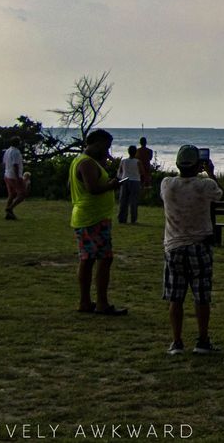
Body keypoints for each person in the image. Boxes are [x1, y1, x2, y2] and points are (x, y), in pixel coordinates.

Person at [160, 145, 224, 355]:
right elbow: (220, 195)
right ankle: (202, 340)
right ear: (199, 165)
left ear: (178, 164)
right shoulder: (205, 185)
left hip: (174, 246)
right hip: (200, 245)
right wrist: (211, 172)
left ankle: (177, 341)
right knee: (201, 296)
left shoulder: (167, 185)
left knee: (175, 297)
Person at [69, 129, 126, 315]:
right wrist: (112, 185)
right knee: (103, 259)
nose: (107, 150)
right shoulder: (86, 163)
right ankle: (102, 303)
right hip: (93, 217)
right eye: (106, 146)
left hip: (87, 216)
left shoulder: (80, 161)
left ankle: (85, 302)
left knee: (87, 259)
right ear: (97, 143)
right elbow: (92, 188)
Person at [117, 145, 143, 224]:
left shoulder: (123, 161)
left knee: (123, 200)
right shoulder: (138, 162)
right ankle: (133, 219)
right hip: (135, 181)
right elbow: (141, 172)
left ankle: (122, 218)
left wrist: (120, 178)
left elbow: (119, 171)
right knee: (133, 201)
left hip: (124, 180)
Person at [1, 138, 27, 220]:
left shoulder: (7, 151)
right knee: (22, 194)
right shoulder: (16, 152)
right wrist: (18, 177)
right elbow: (15, 165)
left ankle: (8, 214)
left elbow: (4, 163)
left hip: (7, 174)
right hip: (13, 176)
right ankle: (10, 208)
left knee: (12, 194)